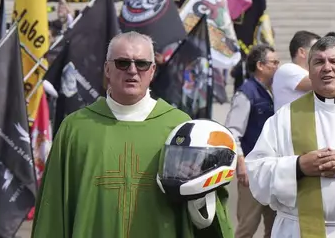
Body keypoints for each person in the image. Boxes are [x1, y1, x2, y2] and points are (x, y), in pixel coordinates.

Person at [31, 31, 232, 237]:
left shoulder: (180, 129)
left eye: (142, 64)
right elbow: (53, 208)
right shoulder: (75, 129)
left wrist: (197, 192)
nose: (133, 71)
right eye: (122, 63)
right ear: (107, 69)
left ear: (152, 71)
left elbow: (203, 217)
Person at [245, 36, 335, 237]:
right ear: (309, 69)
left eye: (334, 61)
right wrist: (298, 166)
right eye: (318, 62)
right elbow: (256, 172)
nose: (326, 68)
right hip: (297, 229)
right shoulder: (285, 117)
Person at [225, 44, 279, 238]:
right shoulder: (246, 93)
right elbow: (232, 131)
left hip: (272, 168)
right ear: (260, 66)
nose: (277, 66)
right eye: (274, 62)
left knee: (274, 227)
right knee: (247, 225)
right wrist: (241, 165)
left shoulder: (271, 91)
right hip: (252, 169)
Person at [272, 30, 319, 111]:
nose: (321, 54)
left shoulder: (309, 72)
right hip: (290, 123)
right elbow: (319, 83)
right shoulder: (287, 69)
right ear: (302, 52)